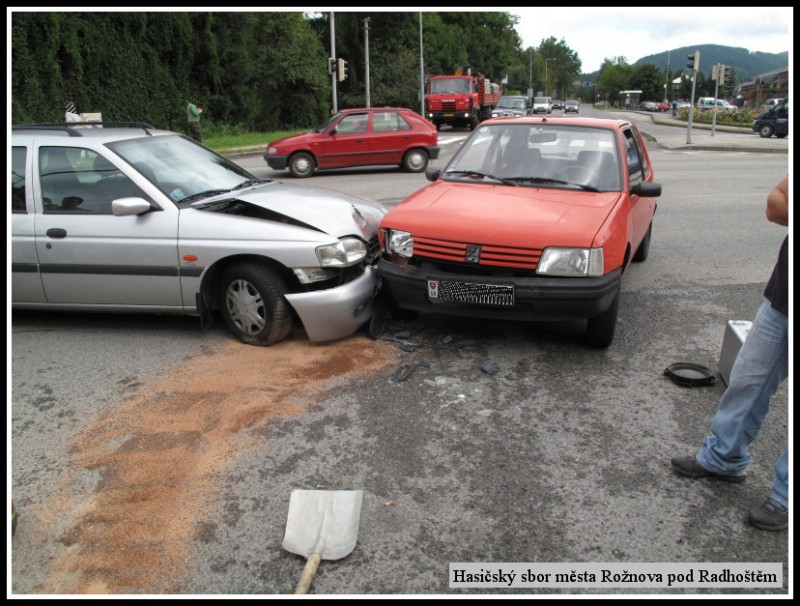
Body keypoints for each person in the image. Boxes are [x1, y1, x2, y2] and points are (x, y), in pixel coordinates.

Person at [671, 175, 789, 531]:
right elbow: (776, 203)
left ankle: (784, 497)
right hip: (782, 300)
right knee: (747, 381)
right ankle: (724, 458)